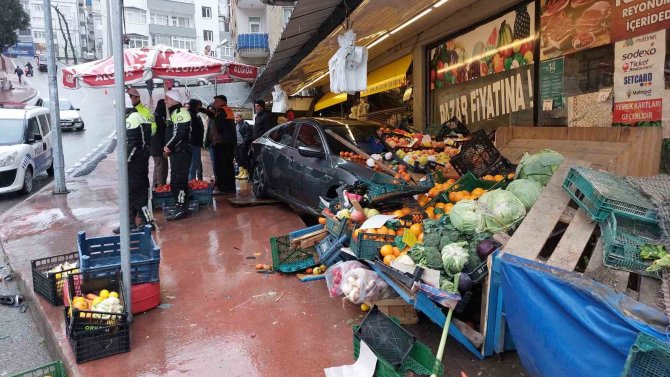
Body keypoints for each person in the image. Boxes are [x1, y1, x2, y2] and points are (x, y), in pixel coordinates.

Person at [113, 93, 153, 234]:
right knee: (131, 193)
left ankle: (146, 222)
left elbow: (132, 144)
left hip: (134, 163)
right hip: (140, 161)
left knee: (136, 194)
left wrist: (124, 163)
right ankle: (130, 223)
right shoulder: (138, 116)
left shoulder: (131, 119)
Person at [164, 89, 192, 221]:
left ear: (175, 100)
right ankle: (180, 206)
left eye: (167, 99)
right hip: (177, 152)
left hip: (182, 152)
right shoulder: (175, 113)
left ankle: (181, 208)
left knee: (179, 181)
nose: (165, 101)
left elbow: (179, 133)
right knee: (176, 180)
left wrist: (168, 146)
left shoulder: (182, 113)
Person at [202, 95, 236, 194]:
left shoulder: (221, 111)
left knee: (222, 166)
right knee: (228, 166)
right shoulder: (227, 110)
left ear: (222, 102)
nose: (215, 103)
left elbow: (218, 123)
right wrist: (205, 111)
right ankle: (230, 187)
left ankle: (223, 188)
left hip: (222, 143)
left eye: (216, 101)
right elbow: (215, 117)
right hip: (229, 143)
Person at [151, 99, 169, 187]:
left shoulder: (158, 116)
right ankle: (160, 188)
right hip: (158, 148)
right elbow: (158, 136)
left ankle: (156, 186)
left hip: (156, 148)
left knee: (158, 167)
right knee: (161, 168)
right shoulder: (158, 118)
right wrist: (163, 149)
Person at [187, 99, 204, 181]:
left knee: (195, 163)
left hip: (196, 143)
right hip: (192, 143)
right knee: (192, 165)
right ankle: (191, 183)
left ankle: (192, 182)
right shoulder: (190, 115)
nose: (200, 108)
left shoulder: (196, 115)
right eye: (198, 106)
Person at [234, 112, 252, 180]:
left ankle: (246, 173)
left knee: (243, 159)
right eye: (235, 117)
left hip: (242, 144)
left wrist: (244, 144)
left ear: (241, 117)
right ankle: (241, 173)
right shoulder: (236, 124)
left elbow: (248, 136)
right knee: (238, 159)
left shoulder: (245, 125)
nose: (236, 119)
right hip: (237, 144)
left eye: (237, 117)